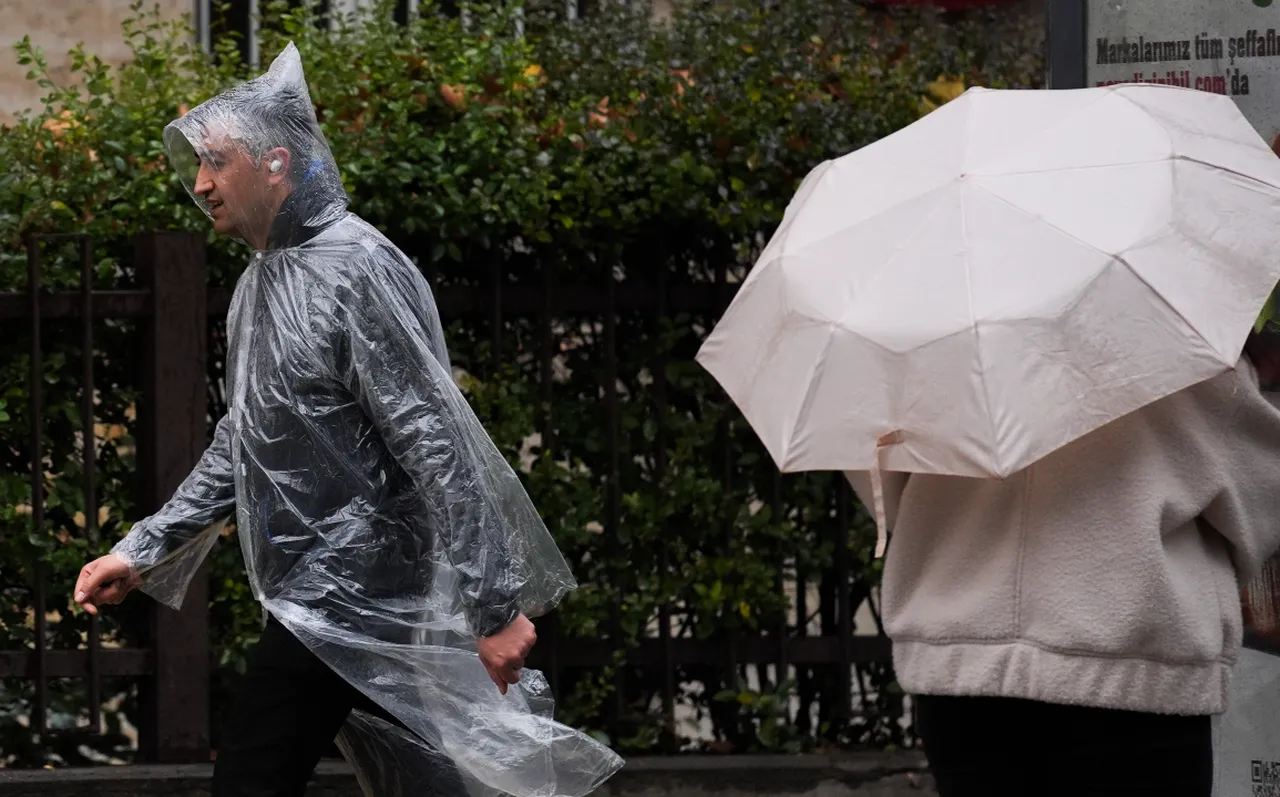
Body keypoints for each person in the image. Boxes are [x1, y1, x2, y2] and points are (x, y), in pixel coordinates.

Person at [72, 43, 621, 797]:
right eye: (194, 166)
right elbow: (244, 437)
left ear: (275, 163)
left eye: (216, 161)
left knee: (254, 776)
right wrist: (143, 548)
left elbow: (435, 438)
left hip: (365, 591)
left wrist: (495, 605)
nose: (198, 183)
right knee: (430, 784)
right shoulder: (260, 286)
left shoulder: (357, 269)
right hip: (326, 601)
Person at [844, 324, 1280, 796]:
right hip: (1134, 669)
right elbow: (1259, 499)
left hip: (961, 660)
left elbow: (883, 486)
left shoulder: (929, 332)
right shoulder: (1179, 339)